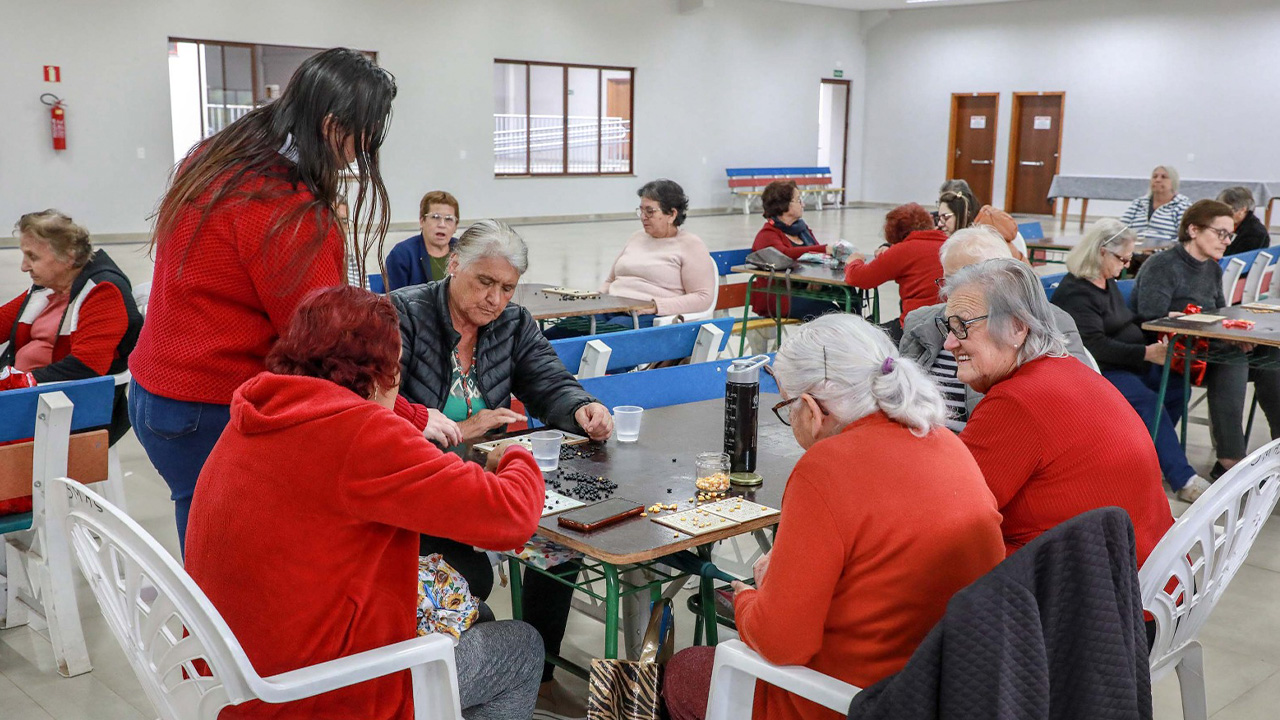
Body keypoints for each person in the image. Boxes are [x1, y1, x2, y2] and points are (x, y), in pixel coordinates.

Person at [185, 285, 545, 720]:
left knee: (475, 609)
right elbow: (511, 516)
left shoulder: (263, 404)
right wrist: (517, 454)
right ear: (381, 373)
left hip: (228, 677)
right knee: (522, 648)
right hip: (311, 694)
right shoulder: (358, 433)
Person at [662, 314, 1005, 720]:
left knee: (685, 669)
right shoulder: (946, 442)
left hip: (851, 701)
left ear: (809, 408)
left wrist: (747, 599)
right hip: (949, 693)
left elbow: (781, 643)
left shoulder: (826, 468)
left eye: (787, 406)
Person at [128, 48, 397, 554]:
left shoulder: (220, 156)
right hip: (204, 404)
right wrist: (410, 415)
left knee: (203, 522)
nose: (361, 151)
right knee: (224, 551)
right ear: (334, 125)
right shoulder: (284, 210)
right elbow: (328, 349)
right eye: (365, 135)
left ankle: (207, 623)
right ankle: (214, 629)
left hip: (153, 391)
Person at [389, 219, 613, 715]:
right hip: (420, 485)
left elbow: (548, 380)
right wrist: (463, 431)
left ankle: (544, 675)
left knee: (557, 546)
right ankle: (475, 664)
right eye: (484, 282)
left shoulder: (513, 323)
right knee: (470, 574)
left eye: (507, 288)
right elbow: (379, 416)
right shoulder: (403, 314)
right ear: (454, 265)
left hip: (484, 477)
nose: (495, 298)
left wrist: (581, 408)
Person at [945, 258, 1174, 562]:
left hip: (1098, 595)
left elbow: (948, 513)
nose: (949, 343)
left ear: (1016, 328)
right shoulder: (1069, 370)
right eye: (948, 327)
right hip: (1150, 576)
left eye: (962, 327)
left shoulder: (1015, 402)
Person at [1050, 219, 1212, 502]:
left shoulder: (1105, 281)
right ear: (1101, 251)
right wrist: (1146, 353)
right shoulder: (1077, 290)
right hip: (1100, 372)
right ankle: (1183, 479)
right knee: (1149, 402)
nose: (1125, 266)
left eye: (1129, 259)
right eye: (1122, 258)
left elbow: (1125, 321)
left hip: (1127, 363)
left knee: (1177, 387)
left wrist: (1161, 320)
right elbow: (1094, 346)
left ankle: (1147, 454)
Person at [1133, 199, 1280, 479]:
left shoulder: (1212, 268)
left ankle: (1277, 447)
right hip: (1174, 351)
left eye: (1230, 234)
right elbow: (1149, 318)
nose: (1226, 241)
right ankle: (1229, 458)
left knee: (1272, 357)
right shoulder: (1162, 265)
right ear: (1193, 230)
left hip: (1209, 345)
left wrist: (1235, 335)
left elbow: (1221, 313)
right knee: (1233, 360)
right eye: (1220, 233)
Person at [899, 226, 1090, 431]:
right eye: (949, 280)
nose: (951, 293)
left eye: (967, 279)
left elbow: (1076, 396)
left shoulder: (1052, 320)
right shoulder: (921, 321)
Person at [2, 210, 142, 443]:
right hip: (27, 399)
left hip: (68, 411)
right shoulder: (49, 285)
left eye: (32, 257)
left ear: (67, 257)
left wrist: (18, 382)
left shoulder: (104, 291)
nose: (24, 267)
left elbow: (87, 365)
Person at [590, 179, 716, 330]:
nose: (643, 217)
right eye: (641, 211)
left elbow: (703, 297)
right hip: (611, 307)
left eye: (650, 211)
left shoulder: (691, 245)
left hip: (648, 316)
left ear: (672, 214)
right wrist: (596, 297)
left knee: (600, 337)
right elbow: (610, 280)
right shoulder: (636, 237)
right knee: (564, 331)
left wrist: (657, 306)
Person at [843, 203, 945, 342]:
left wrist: (854, 261)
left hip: (915, 329)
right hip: (946, 326)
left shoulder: (904, 250)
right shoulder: (948, 244)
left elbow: (859, 278)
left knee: (862, 340)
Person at [749, 180, 838, 320]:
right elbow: (783, 255)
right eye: (798, 200)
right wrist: (824, 249)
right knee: (833, 315)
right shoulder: (767, 235)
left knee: (850, 294)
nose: (803, 204)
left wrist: (816, 280)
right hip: (780, 298)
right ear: (784, 205)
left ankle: (863, 330)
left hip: (805, 291)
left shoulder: (802, 230)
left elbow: (819, 259)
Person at [385, 190, 460, 290]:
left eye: (449, 219)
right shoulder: (402, 254)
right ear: (422, 221)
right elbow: (391, 300)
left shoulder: (464, 252)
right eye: (435, 217)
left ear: (456, 226)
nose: (442, 224)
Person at [938, 179, 1027, 261]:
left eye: (945, 217)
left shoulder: (980, 240)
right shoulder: (978, 224)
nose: (939, 224)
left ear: (962, 208)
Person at [1121, 165, 1192, 242]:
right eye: (1154, 177)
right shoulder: (1138, 203)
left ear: (1173, 182)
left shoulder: (1182, 206)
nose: (1158, 180)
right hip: (1133, 251)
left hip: (1166, 252)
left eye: (1164, 177)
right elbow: (1120, 229)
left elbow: (1185, 237)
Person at [1218, 186, 1271, 256]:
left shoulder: (1255, 234)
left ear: (1242, 210)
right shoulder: (1224, 221)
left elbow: (1235, 261)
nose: (1221, 213)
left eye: (1226, 210)